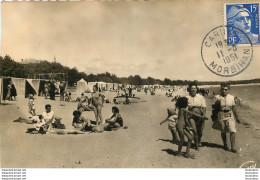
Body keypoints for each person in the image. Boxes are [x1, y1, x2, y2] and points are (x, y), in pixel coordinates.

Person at [212, 82, 241, 153]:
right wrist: (216, 103)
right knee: (223, 131)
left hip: (230, 114)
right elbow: (213, 107)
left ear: (228, 90)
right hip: (221, 114)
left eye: (226, 89)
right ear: (220, 90)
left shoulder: (231, 97)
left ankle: (233, 147)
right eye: (223, 89)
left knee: (232, 130)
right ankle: (225, 145)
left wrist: (237, 117)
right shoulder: (217, 97)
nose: (224, 91)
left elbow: (233, 108)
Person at [186, 82, 207, 150]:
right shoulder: (187, 97)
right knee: (194, 130)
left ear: (196, 89)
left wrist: (203, 116)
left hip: (199, 116)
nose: (193, 89)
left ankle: (199, 141)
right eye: (192, 88)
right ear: (189, 89)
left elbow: (204, 107)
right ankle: (196, 144)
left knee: (200, 130)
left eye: (194, 88)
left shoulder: (201, 97)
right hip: (191, 116)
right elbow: (185, 108)